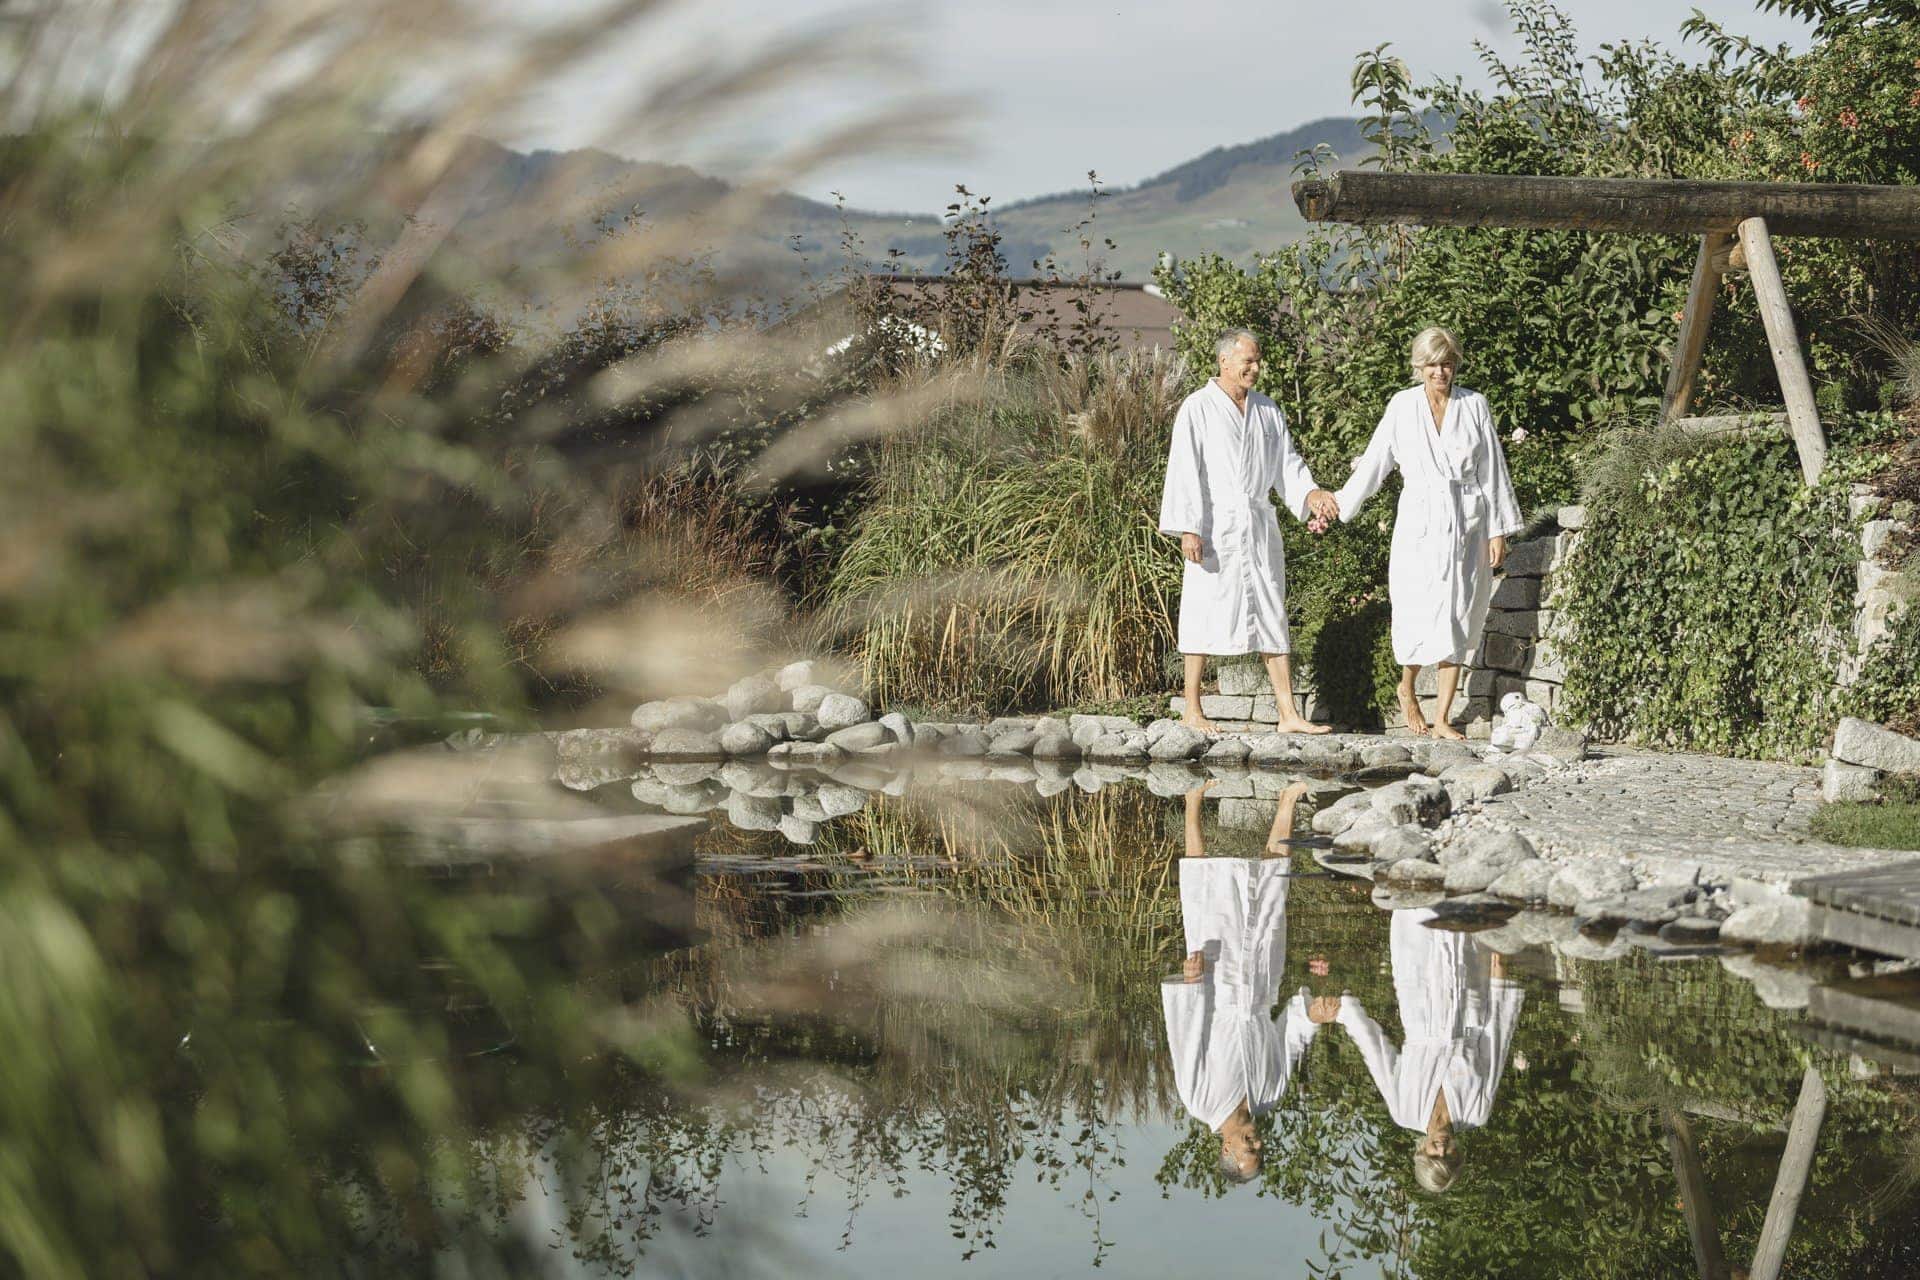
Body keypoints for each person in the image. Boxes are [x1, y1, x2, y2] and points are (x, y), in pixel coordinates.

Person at [1332, 327, 1524, 738]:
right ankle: (1406, 688)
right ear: (1419, 366)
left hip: (1465, 521)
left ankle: (1442, 718)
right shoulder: (1401, 407)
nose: (1441, 371)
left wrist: (1497, 530)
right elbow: (1375, 461)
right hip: (1419, 521)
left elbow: (1492, 470)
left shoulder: (1474, 405)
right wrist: (1341, 503)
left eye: (1447, 363)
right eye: (1433, 364)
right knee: (1417, 611)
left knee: (1458, 613)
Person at [1160, 329, 1339, 737]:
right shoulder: (1198, 408)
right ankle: (1191, 707)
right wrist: (1189, 527)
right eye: (1248, 361)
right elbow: (1185, 468)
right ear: (1225, 361)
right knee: (1202, 608)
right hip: (1213, 525)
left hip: (1258, 524)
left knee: (1271, 609)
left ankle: (1288, 714)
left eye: (1258, 360)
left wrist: (1310, 493)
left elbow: (1287, 465)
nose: (1255, 368)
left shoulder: (1268, 411)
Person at [1164, 779, 1325, 1186]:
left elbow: (1186, 1039)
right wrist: (1313, 1015)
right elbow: (1288, 1040)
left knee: (1201, 891)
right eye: (1259, 1151)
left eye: (1248, 1151)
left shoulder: (1199, 1101)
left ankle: (1193, 802)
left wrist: (1189, 984)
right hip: (1260, 988)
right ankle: (1288, 797)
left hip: (1216, 986)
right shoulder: (1269, 1096)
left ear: (1227, 1150)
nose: (1256, 1145)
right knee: (1273, 890)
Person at [1331, 908, 1525, 1194]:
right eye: (1449, 1156)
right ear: (1458, 1153)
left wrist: (1347, 1012)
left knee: (1415, 922)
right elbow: (1495, 1046)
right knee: (1469, 918)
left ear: (1421, 1151)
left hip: (1419, 1007)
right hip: (1470, 1005)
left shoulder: (1404, 1112)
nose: (1442, 1149)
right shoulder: (1476, 1113)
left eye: (1435, 1156)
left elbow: (1378, 1056)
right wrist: (1500, 982)